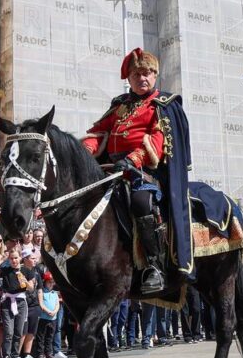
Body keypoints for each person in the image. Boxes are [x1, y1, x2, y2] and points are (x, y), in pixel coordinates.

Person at [79, 48, 193, 294]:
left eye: (148, 74)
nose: (143, 79)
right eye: (137, 75)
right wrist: (83, 153)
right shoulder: (119, 106)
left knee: (141, 202)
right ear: (128, 79)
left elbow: (158, 138)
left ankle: (154, 266)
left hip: (145, 171)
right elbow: (99, 133)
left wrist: (133, 159)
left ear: (155, 76)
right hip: (111, 169)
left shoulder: (163, 104)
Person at [0, 249, 29, 358]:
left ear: (20, 259)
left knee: (18, 330)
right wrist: (2, 260)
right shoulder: (6, 270)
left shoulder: (25, 270)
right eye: (12, 258)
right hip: (8, 301)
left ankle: (15, 356)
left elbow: (31, 287)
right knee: (9, 331)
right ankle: (6, 357)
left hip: (21, 301)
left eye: (16, 258)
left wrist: (25, 280)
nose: (14, 260)